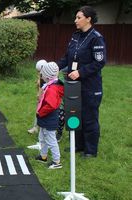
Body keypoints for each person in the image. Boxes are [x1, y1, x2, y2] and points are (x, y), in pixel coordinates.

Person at [57, 6, 106, 158]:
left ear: (88, 19)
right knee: (74, 114)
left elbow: (100, 62)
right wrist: (53, 67)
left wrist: (80, 72)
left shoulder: (96, 38)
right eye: (76, 17)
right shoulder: (76, 36)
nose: (75, 20)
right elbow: (67, 57)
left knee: (89, 117)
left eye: (79, 17)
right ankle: (77, 145)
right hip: (73, 84)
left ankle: (90, 150)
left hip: (90, 85)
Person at [35, 62, 64, 169]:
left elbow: (51, 105)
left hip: (49, 118)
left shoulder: (52, 89)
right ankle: (43, 156)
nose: (41, 75)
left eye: (42, 74)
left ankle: (57, 162)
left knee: (51, 140)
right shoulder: (49, 85)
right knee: (42, 137)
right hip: (45, 118)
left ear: (47, 76)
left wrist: (40, 112)